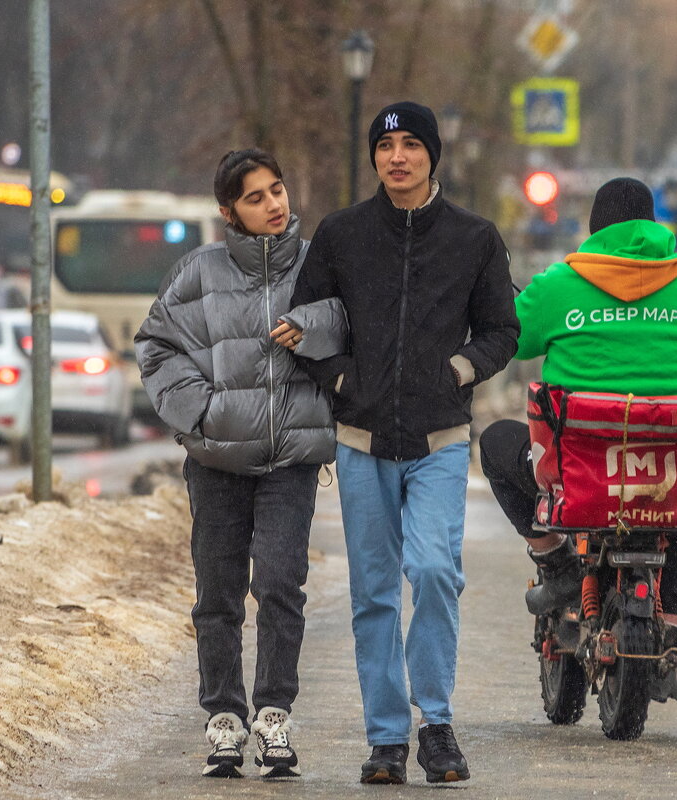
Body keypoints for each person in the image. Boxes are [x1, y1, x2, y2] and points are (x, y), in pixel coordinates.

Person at [280, 101, 518, 785]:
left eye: (412, 144)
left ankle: (435, 724)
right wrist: (339, 376)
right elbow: (307, 324)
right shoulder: (343, 234)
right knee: (375, 593)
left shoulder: (474, 238)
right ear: (375, 157)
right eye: (386, 146)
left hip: (438, 439)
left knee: (436, 572)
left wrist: (458, 369)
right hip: (361, 438)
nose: (398, 157)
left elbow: (501, 329)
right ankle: (387, 739)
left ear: (432, 155)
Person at [478, 177, 677, 702]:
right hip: (668, 477)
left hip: (583, 478)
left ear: (595, 229)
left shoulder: (561, 283)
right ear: (655, 225)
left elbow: (517, 336)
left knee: (495, 444)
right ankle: (670, 625)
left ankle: (554, 559)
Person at [135, 149, 345, 780]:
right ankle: (224, 718)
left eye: (277, 190)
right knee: (218, 593)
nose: (274, 204)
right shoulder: (196, 273)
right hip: (217, 460)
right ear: (229, 211)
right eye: (256, 197)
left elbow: (354, 329)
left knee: (282, 585)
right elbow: (155, 344)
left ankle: (274, 714)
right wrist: (198, 413)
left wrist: (316, 328)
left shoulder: (319, 268)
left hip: (292, 461)